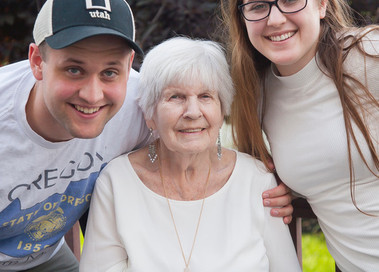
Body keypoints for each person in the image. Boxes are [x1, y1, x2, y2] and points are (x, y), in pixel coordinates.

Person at [219, 0, 379, 271]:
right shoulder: (257, 96)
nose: (275, 18)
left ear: (321, 3)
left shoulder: (372, 54)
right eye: (258, 6)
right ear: (242, 17)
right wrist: (284, 186)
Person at [79, 36, 302, 272]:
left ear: (222, 108)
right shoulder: (116, 182)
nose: (193, 112)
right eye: (176, 97)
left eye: (206, 96)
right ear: (149, 113)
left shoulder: (256, 180)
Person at [0, 0, 151, 272]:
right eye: (74, 70)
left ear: (130, 64)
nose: (93, 96)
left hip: (47, 256)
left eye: (110, 72)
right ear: (37, 62)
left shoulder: (141, 104)